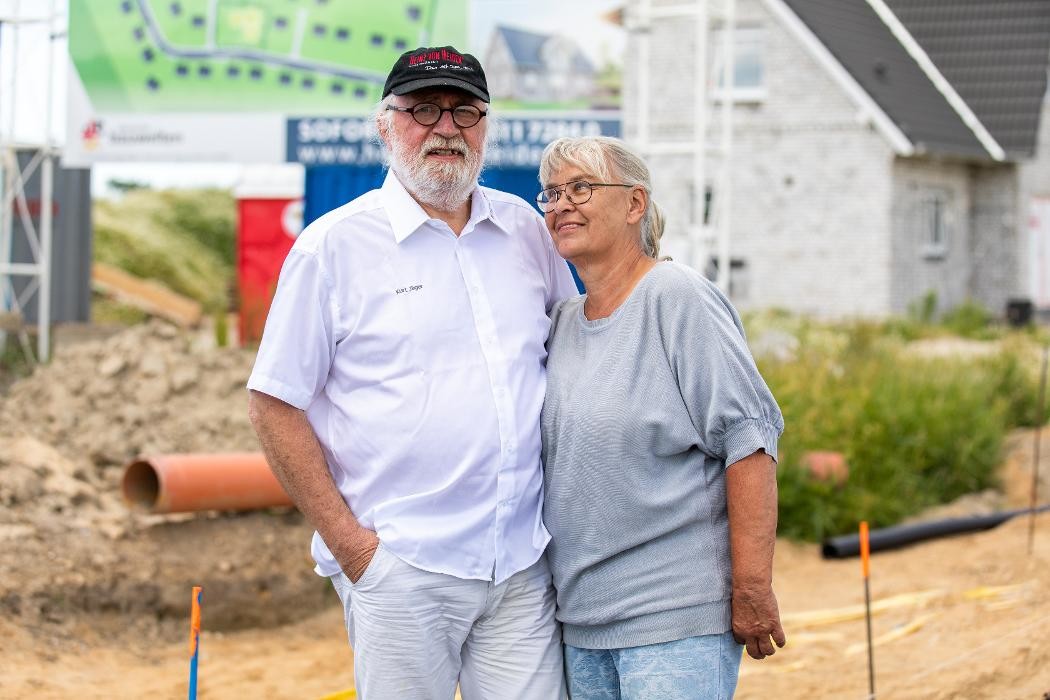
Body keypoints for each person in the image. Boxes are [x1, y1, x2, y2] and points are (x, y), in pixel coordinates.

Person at [246, 46, 577, 699]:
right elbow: (274, 403)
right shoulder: (332, 248)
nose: (446, 129)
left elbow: (575, 355)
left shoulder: (525, 233)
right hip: (402, 567)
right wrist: (354, 549)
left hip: (520, 564)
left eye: (466, 112)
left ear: (487, 126)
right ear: (384, 124)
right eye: (423, 109)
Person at [537, 136, 786, 699]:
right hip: (581, 623)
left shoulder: (677, 296)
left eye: (580, 188)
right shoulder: (564, 322)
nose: (560, 205)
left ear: (634, 204)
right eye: (551, 193)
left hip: (672, 617)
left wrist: (751, 588)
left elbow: (749, 440)